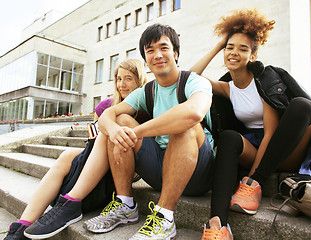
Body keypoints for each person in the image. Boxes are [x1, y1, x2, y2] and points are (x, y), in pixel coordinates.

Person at [21, 23, 214, 240]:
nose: (158, 55)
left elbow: (193, 113)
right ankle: (125, 205)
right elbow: (107, 116)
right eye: (150, 50)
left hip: (197, 171)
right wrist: (114, 131)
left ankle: (164, 218)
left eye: (164, 48)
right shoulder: (147, 91)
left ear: (176, 53)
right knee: (120, 120)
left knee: (185, 126)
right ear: (146, 59)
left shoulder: (194, 82)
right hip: (160, 168)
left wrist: (137, 132)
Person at [190, 8, 311, 240]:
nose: (234, 52)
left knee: (302, 105)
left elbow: (270, 134)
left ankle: (254, 185)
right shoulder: (227, 88)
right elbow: (190, 77)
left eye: (243, 48)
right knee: (228, 136)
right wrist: (219, 45)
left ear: (253, 56)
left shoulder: (264, 81)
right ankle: (219, 225)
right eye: (230, 47)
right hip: (255, 148)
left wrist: (251, 179)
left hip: (283, 148)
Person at [4, 58, 148, 240]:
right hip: (99, 164)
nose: (122, 84)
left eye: (128, 78)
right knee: (66, 155)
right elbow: (95, 143)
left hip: (125, 167)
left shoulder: (145, 109)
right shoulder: (105, 106)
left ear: (139, 80)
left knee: (109, 127)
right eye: (118, 79)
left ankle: (70, 203)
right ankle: (20, 228)